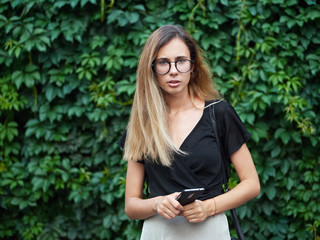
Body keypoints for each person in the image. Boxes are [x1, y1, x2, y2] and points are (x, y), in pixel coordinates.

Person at [118, 25, 260, 240]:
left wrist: (209, 206)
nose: (173, 70)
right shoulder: (142, 124)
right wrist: (157, 203)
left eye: (181, 61)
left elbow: (251, 183)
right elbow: (131, 205)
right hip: (160, 232)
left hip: (210, 230)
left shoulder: (218, 113)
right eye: (163, 63)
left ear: (193, 66)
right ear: (152, 69)